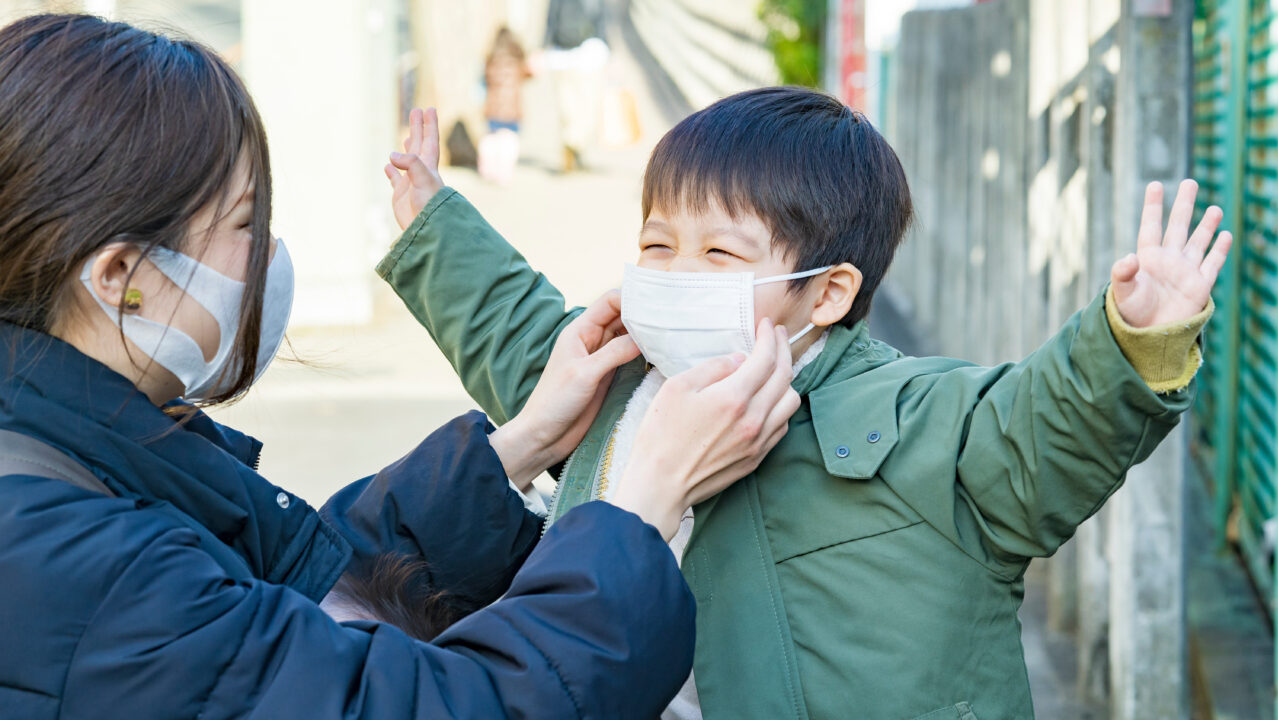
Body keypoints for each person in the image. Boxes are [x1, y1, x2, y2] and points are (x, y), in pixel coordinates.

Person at [0, 15, 801, 720]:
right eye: (245, 222)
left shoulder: (79, 451)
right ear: (119, 278)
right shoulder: (73, 562)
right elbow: (440, 702)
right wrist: (643, 501)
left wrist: (517, 446)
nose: (271, 253)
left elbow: (298, 583)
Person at [380, 88, 1232, 720]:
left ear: (824, 295)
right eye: (656, 243)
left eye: (719, 251)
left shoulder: (918, 418)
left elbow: (1048, 426)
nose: (674, 275)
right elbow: (518, 327)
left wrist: (1130, 341)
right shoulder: (609, 379)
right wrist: (434, 226)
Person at [542, 0, 608, 172]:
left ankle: (571, 148)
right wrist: (608, 49)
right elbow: (600, 21)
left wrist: (543, 46)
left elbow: (551, 19)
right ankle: (574, 145)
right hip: (587, 54)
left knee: (567, 104)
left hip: (561, 53)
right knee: (587, 104)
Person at [478, 26, 530, 185]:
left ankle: (488, 169)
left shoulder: (490, 61)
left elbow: (484, 80)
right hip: (512, 109)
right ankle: (505, 172)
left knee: (492, 138)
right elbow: (528, 74)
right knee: (509, 140)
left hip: (493, 107)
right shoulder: (518, 60)